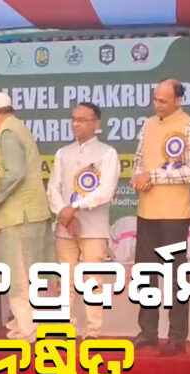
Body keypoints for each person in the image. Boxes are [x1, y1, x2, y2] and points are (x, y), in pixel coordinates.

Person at [130, 78, 190, 356]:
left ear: (178, 100)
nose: (158, 104)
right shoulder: (148, 124)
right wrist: (138, 177)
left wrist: (153, 176)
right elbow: (139, 161)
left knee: (175, 276)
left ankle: (177, 337)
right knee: (145, 275)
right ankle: (148, 332)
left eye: (163, 100)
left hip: (174, 214)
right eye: (155, 99)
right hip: (146, 211)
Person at [0, 92, 54, 343]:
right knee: (22, 275)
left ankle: (29, 332)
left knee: (18, 277)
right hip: (22, 215)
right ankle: (21, 327)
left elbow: (15, 173)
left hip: (19, 216)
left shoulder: (8, 133)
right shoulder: (17, 128)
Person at [47, 102, 119, 340]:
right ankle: (66, 327)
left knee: (93, 281)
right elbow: (53, 189)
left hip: (94, 228)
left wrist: (74, 208)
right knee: (64, 279)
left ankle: (93, 331)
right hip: (65, 227)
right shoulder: (62, 153)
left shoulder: (107, 153)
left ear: (96, 123)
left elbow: (106, 191)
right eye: (73, 119)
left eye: (82, 120)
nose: (76, 124)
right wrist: (64, 213)